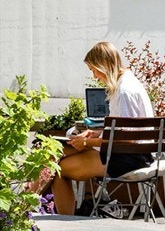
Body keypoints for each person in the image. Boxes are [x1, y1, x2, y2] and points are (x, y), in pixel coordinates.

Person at [52, 42, 155, 216]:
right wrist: (96, 134)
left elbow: (123, 140)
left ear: (104, 66)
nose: (94, 75)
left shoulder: (123, 91)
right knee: (56, 155)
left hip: (127, 158)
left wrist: (87, 141)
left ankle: (45, 210)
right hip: (133, 154)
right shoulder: (127, 83)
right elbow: (124, 130)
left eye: (94, 70)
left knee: (58, 169)